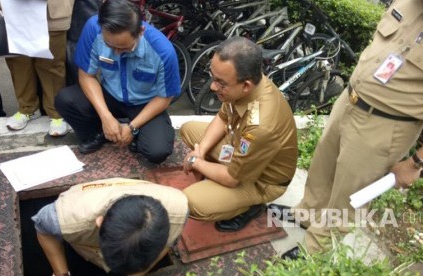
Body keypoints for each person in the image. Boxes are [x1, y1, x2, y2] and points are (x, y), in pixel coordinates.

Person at [268, 0, 423, 259]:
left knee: (349, 195)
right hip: (350, 99)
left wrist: (416, 163)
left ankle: (314, 252)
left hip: (387, 124)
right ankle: (306, 213)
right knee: (323, 167)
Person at [180, 37, 298, 232]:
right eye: (212, 76)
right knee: (189, 130)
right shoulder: (245, 85)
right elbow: (223, 117)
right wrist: (200, 153)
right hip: (240, 148)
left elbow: (232, 178)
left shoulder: (260, 126)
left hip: (262, 180)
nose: (212, 86)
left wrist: (196, 162)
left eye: (220, 82)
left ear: (246, 86)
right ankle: (215, 173)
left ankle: (250, 207)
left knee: (191, 202)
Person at [55, 0, 180, 165]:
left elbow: (164, 97)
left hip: (144, 103)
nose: (116, 52)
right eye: (109, 45)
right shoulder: (94, 27)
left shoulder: (163, 50)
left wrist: (132, 127)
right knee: (65, 99)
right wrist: (106, 117)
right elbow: (86, 75)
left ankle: (136, 134)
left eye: (124, 48)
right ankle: (98, 133)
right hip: (111, 95)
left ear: (140, 31)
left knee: (158, 151)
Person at [31, 177, 188, 275]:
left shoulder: (179, 208)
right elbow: (42, 228)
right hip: (83, 220)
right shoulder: (70, 217)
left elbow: (168, 243)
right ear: (100, 222)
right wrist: (62, 273)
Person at [0, 0, 74, 136]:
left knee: (51, 65)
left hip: (52, 11)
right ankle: (27, 108)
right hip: (12, 11)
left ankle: (56, 113)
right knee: (18, 63)